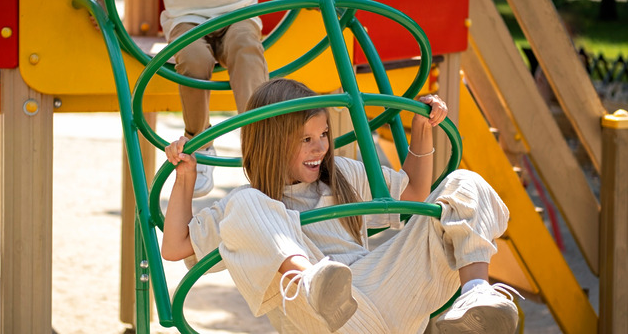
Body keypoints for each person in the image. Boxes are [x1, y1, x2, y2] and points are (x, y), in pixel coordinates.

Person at [162, 78, 522, 333]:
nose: (320, 148)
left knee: (464, 182)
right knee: (244, 202)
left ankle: (475, 295)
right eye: (306, 139)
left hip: (382, 295)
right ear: (272, 142)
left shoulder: (342, 175)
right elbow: (175, 247)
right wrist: (186, 177)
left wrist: (422, 130)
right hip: (319, 319)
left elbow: (413, 195)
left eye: (323, 136)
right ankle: (309, 279)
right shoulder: (248, 209)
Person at [94, 0, 315, 197]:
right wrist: (104, 0)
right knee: (193, 58)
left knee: (246, 51)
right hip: (186, 18)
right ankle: (200, 142)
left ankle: (263, 143)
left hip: (240, 14)